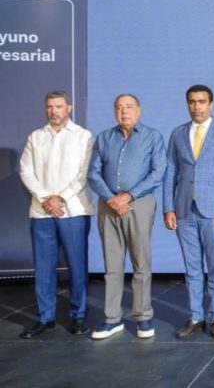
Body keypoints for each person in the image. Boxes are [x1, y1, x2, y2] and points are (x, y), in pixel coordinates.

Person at [87, 93, 166, 340]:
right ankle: (112, 319)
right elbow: (93, 173)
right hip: (108, 205)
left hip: (138, 204)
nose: (124, 111)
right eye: (119, 107)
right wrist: (112, 198)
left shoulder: (152, 137)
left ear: (139, 110)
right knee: (112, 265)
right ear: (114, 112)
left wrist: (128, 196)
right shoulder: (104, 138)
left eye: (129, 107)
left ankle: (143, 316)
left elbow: (158, 172)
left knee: (141, 263)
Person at [163, 85, 214, 339]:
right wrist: (168, 207)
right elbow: (170, 172)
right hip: (184, 210)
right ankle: (195, 316)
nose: (197, 106)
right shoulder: (177, 133)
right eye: (192, 102)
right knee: (192, 268)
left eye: (202, 101)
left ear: (211, 104)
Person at [18, 90, 95, 338]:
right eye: (49, 106)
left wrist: (59, 198)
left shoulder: (83, 136)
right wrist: (45, 198)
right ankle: (46, 317)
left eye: (58, 106)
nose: (53, 111)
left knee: (77, 265)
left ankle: (78, 315)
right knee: (43, 267)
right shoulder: (36, 137)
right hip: (42, 212)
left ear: (69, 108)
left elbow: (84, 174)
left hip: (73, 210)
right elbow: (26, 171)